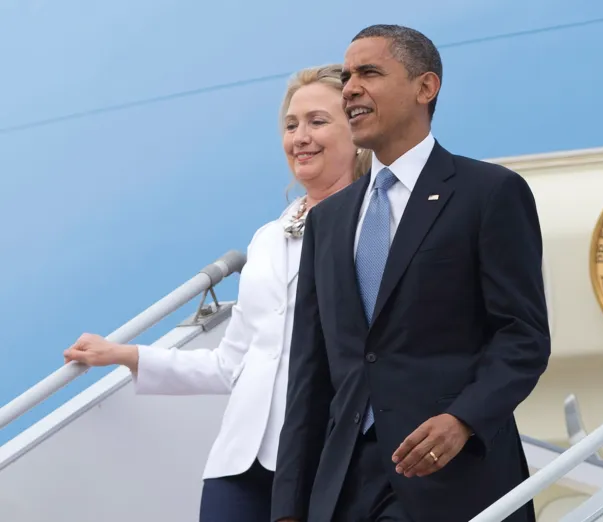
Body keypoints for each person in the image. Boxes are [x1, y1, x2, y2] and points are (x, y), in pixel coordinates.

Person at [62, 63, 372, 522]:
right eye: (291, 125)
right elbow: (233, 363)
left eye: (317, 122)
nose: (300, 137)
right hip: (240, 462)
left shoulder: (376, 227)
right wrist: (126, 354)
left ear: (356, 132)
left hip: (326, 458)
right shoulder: (268, 237)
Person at [271, 25, 551, 522]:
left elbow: (523, 338)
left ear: (426, 88)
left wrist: (463, 418)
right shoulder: (329, 221)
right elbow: (310, 375)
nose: (351, 87)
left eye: (369, 72)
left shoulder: (489, 193)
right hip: (346, 486)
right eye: (349, 75)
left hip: (457, 475)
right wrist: (290, 509)